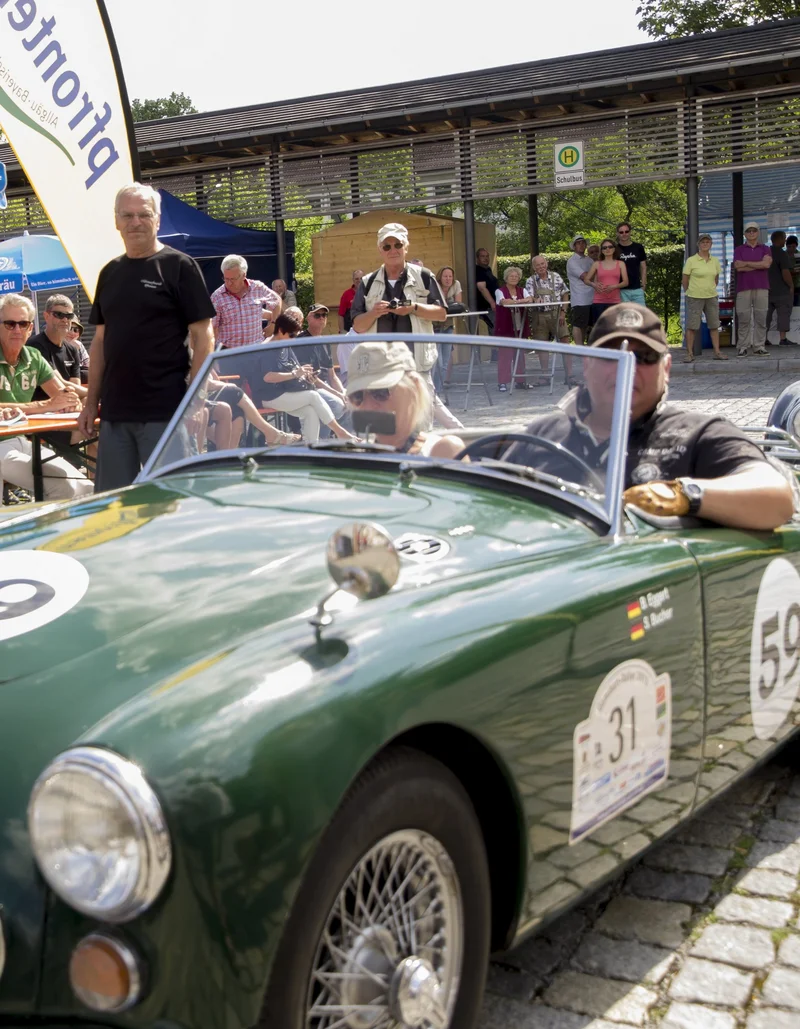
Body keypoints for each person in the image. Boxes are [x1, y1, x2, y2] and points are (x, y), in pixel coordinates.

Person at [520, 304, 793, 531]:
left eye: (645, 356)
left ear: (667, 368)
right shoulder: (543, 432)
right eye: (611, 355)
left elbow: (776, 497)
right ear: (588, 364)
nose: (626, 367)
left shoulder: (698, 433)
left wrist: (684, 495)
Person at [78, 183, 216, 492]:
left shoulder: (179, 266)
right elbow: (99, 342)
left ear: (157, 219)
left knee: (172, 503)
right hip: (115, 413)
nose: (135, 222)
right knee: (113, 508)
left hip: (164, 410)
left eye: (144, 214)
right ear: (116, 221)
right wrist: (91, 403)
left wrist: (197, 398)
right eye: (127, 215)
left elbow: (204, 335)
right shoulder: (109, 273)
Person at [350, 222, 461, 430]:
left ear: (406, 246)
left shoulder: (424, 276)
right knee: (385, 429)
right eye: (387, 246)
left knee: (421, 428)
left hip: (416, 367)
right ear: (380, 250)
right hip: (380, 369)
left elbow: (441, 314)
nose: (393, 250)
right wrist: (374, 312)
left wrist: (413, 308)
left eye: (397, 244)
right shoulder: (368, 281)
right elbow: (357, 325)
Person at [0, 294, 91, 501]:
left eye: (23, 324)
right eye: (9, 324)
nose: (17, 330)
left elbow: (63, 395)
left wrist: (70, 401)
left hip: (20, 439)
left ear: (30, 328)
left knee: (86, 488)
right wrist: (46, 405)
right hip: (6, 443)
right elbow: (50, 402)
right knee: (62, 487)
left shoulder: (32, 356)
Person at [346, 341, 464, 458]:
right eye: (357, 396)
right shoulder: (354, 457)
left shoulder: (441, 451)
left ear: (414, 388)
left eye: (380, 392)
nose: (368, 406)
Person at [256, 313, 353, 444]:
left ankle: (311, 449)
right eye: (291, 335)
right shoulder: (267, 347)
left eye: (295, 335)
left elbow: (296, 368)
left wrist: (307, 376)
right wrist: (295, 374)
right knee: (312, 396)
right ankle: (340, 432)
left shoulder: (285, 344)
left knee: (310, 411)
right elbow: (267, 377)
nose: (293, 338)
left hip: (286, 392)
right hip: (269, 396)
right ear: (280, 330)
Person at [296, 302, 349, 433]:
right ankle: (322, 441)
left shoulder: (324, 342)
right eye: (317, 315)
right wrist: (338, 395)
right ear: (308, 318)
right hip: (309, 386)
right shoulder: (302, 340)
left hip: (324, 386)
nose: (322, 318)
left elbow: (332, 375)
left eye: (324, 315)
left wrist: (343, 393)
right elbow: (312, 378)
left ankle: (346, 442)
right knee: (337, 405)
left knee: (352, 403)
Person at [526, 255, 579, 386]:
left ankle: (569, 375)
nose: (540, 267)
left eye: (542, 263)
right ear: (534, 267)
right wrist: (534, 299)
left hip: (557, 314)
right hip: (539, 315)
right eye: (537, 265)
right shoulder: (530, 281)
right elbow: (528, 297)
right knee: (541, 345)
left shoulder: (556, 277)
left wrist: (563, 312)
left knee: (565, 341)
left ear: (547, 263)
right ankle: (545, 376)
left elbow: (565, 293)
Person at [211, 255, 281, 350]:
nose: (229, 283)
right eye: (226, 278)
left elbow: (276, 300)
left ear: (244, 275)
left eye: (233, 279)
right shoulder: (217, 297)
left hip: (255, 350)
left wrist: (273, 324)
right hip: (229, 353)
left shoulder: (257, 287)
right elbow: (213, 328)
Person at [27, 294, 86, 400]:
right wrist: (96, 394)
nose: (64, 320)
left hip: (66, 407)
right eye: (59, 314)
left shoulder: (72, 350)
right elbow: (61, 385)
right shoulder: (35, 346)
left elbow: (75, 389)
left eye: (69, 316)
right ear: (46, 316)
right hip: (40, 411)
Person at [682, 233, 726, 362]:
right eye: (702, 242)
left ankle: (717, 352)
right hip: (694, 296)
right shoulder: (691, 260)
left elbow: (716, 278)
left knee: (714, 325)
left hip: (711, 296)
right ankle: (689, 353)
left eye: (707, 242)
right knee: (692, 326)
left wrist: (710, 288)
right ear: (698, 244)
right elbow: (685, 279)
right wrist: (688, 292)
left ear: (711, 244)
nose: (705, 244)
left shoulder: (715, 261)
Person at [494, 266, 538, 392]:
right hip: (505, 326)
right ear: (506, 278)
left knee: (520, 354)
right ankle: (502, 382)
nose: (514, 278)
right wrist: (520, 302)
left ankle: (521, 380)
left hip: (519, 325)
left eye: (516, 276)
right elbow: (504, 302)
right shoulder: (499, 291)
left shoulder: (522, 290)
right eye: (511, 276)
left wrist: (516, 301)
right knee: (505, 355)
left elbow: (529, 299)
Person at [734, 222, 772, 357]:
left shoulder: (765, 248)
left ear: (758, 232)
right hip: (743, 287)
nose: (751, 233)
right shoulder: (739, 249)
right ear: (745, 233)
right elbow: (738, 267)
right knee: (743, 317)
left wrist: (747, 264)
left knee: (761, 317)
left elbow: (766, 264)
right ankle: (743, 346)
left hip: (762, 286)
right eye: (748, 231)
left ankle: (759, 346)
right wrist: (758, 265)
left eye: (754, 231)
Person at [433, 266, 462, 394]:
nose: (448, 279)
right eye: (445, 276)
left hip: (448, 326)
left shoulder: (456, 284)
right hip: (434, 327)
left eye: (450, 276)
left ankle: (438, 393)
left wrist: (445, 308)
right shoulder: (434, 285)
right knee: (437, 362)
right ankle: (432, 390)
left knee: (445, 362)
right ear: (440, 277)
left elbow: (459, 305)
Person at [765, 230, 797, 347]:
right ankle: (783, 339)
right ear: (780, 239)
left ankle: (763, 339)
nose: (785, 241)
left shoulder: (766, 252)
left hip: (767, 290)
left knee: (766, 315)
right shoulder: (781, 253)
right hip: (781, 291)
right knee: (783, 314)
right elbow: (785, 272)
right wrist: (791, 285)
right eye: (784, 238)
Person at [585, 239, 628, 323]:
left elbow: (626, 282)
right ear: (602, 251)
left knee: (614, 330)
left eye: (610, 247)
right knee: (599, 329)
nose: (607, 249)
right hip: (599, 301)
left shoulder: (620, 264)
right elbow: (586, 279)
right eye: (604, 248)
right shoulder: (597, 264)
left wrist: (614, 286)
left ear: (614, 249)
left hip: (615, 301)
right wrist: (594, 284)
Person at [566, 234, 595, 346]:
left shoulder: (589, 260)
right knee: (579, 325)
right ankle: (579, 348)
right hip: (580, 298)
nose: (581, 245)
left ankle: (585, 349)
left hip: (592, 297)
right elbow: (585, 276)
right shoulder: (572, 261)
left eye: (583, 242)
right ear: (574, 246)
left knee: (588, 324)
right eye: (578, 243)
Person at [616, 222, 647, 305]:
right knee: (624, 317)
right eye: (621, 232)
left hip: (637, 289)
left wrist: (643, 285)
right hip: (621, 290)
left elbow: (643, 267)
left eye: (626, 231)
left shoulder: (638, 247)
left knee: (641, 316)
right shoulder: (614, 249)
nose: (624, 234)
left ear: (630, 232)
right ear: (617, 234)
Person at [475, 247, 499, 333]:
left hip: (493, 306)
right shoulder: (478, 270)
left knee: (496, 328)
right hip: (486, 307)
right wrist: (492, 302)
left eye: (487, 256)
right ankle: (495, 346)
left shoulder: (488, 269)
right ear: (477, 258)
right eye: (482, 256)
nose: (485, 258)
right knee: (495, 328)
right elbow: (481, 287)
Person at [66, 319, 90, 383]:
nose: (72, 333)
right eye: (69, 328)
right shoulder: (57, 344)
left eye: (75, 330)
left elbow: (88, 364)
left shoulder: (79, 344)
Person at [787, 235, 800, 307]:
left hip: (796, 284)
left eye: (793, 247)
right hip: (785, 285)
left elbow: (798, 270)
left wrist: (788, 273)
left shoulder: (798, 255)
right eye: (789, 247)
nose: (791, 249)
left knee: (796, 305)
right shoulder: (783, 255)